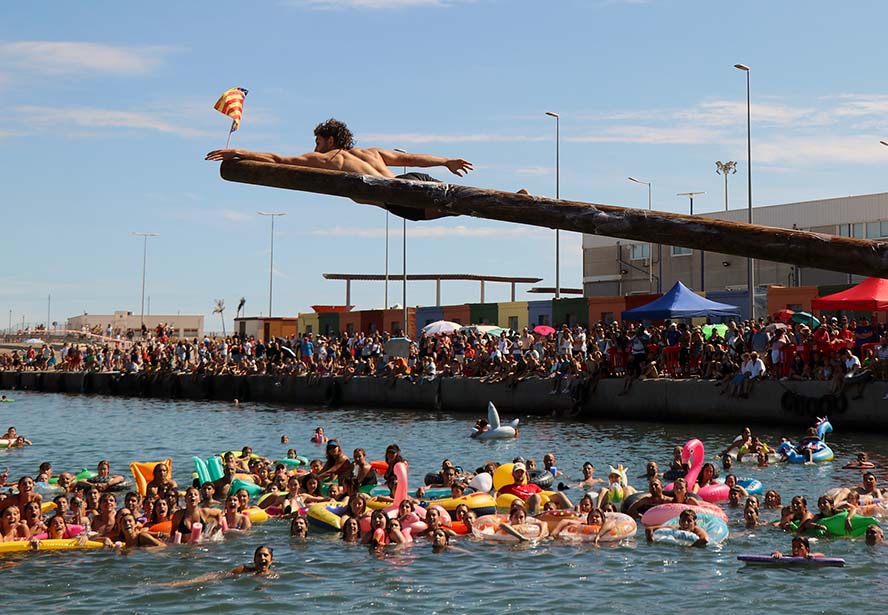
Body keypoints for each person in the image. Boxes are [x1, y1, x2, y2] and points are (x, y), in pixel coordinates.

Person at [206, 118, 474, 222]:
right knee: (465, 200)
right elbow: (411, 159)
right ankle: (502, 197)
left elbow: (277, 159)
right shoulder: (371, 152)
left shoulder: (326, 159)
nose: (315, 147)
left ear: (330, 141)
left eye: (318, 142)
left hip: (396, 198)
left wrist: (237, 152)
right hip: (410, 179)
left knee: (461, 208)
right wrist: (446, 161)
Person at [498, 463, 572, 514]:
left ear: (526, 474)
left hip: (538, 501)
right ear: (513, 474)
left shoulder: (533, 486)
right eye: (517, 472)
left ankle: (572, 513)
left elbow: (544, 494)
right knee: (536, 496)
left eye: (522, 472)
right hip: (526, 501)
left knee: (560, 494)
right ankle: (534, 516)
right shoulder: (507, 488)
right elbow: (497, 496)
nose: (519, 474)